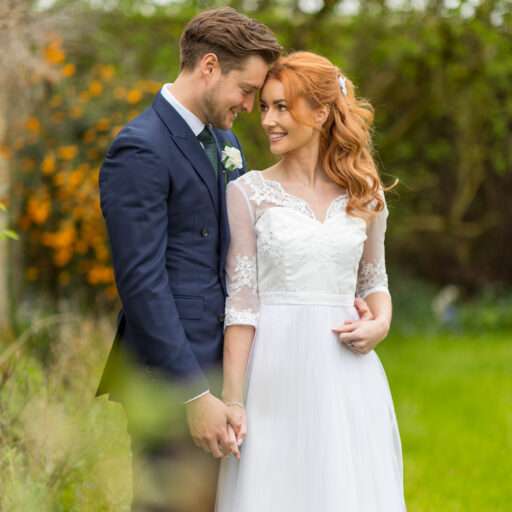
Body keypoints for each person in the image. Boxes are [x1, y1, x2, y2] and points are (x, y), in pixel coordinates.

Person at [97, 7, 281, 510]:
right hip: (171, 377)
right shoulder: (140, 149)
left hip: (224, 368)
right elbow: (141, 284)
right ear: (208, 66)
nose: (250, 105)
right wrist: (193, 395)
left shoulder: (225, 141)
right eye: (246, 90)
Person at [216, 52, 406, 511]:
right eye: (265, 107)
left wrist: (381, 322)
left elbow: (373, 279)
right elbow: (240, 305)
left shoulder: (366, 193)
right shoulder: (247, 193)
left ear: (321, 113)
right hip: (274, 372)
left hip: (346, 373)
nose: (268, 121)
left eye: (283, 107)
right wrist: (234, 402)